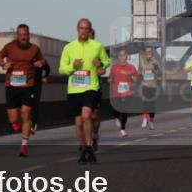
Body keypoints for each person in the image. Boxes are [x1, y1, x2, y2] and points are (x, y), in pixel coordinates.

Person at [59, 18, 110, 164]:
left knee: (87, 114)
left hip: (91, 86)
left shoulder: (97, 46)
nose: (83, 31)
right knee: (78, 122)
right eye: (81, 28)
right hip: (74, 88)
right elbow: (61, 68)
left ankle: (88, 147)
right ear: (77, 29)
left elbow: (107, 62)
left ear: (90, 30)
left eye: (86, 28)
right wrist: (72, 67)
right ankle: (84, 148)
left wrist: (100, 64)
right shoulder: (69, 47)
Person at [0, 24, 45, 157]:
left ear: (29, 35)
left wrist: (40, 63)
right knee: (13, 119)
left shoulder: (35, 48)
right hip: (11, 85)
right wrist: (3, 64)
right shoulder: (9, 47)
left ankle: (24, 145)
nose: (23, 37)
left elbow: (42, 60)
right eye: (21, 34)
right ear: (17, 35)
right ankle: (18, 124)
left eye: (25, 34)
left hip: (28, 85)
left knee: (26, 112)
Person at [109, 47, 138, 137]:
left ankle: (123, 130)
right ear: (118, 57)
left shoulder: (132, 67)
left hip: (128, 92)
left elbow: (136, 78)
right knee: (117, 108)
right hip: (117, 92)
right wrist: (109, 80)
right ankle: (116, 117)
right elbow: (110, 78)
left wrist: (135, 79)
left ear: (126, 56)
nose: (122, 57)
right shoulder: (114, 67)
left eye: (124, 55)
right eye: (121, 55)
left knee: (125, 111)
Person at [138, 46, 162, 129]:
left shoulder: (156, 61)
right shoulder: (141, 61)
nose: (149, 53)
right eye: (147, 51)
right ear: (145, 52)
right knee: (145, 101)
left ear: (152, 52)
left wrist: (156, 68)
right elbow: (139, 73)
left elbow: (160, 74)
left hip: (153, 85)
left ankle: (151, 121)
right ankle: (145, 118)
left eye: (150, 51)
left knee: (152, 104)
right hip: (144, 84)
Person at [31, 58, 50, 133]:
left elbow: (47, 69)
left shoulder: (41, 60)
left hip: (36, 85)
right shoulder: (24, 59)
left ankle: (33, 123)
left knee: (34, 104)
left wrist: (45, 76)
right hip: (25, 84)